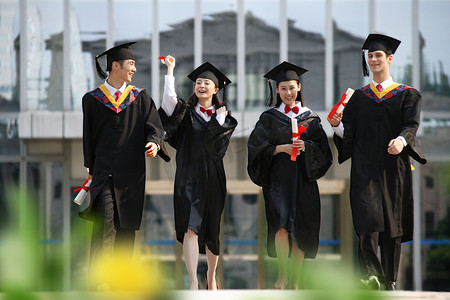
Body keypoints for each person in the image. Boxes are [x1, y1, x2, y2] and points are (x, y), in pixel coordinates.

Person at [327, 33, 427, 290]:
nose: (372, 59)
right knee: (366, 221)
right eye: (369, 55)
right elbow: (349, 135)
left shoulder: (407, 95)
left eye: (377, 55)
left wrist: (402, 141)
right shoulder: (358, 98)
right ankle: (371, 275)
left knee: (392, 224)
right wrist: (337, 127)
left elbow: (411, 125)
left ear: (389, 59)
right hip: (365, 168)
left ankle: (389, 280)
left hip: (395, 168)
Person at [80, 42, 170, 289]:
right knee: (105, 224)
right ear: (115, 66)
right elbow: (89, 137)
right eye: (131, 64)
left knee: (126, 227)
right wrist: (91, 169)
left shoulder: (140, 98)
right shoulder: (92, 99)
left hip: (131, 176)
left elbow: (154, 128)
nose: (135, 69)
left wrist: (154, 143)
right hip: (103, 174)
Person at [247, 61, 332, 289]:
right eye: (283, 88)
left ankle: (294, 281)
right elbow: (255, 147)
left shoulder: (311, 118)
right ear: (276, 90)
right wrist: (279, 149)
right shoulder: (269, 118)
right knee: (282, 226)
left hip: (303, 180)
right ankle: (282, 277)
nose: (288, 92)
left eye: (292, 87)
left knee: (300, 230)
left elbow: (324, 151)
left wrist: (307, 146)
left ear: (299, 88)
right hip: (278, 180)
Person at [158, 56, 237, 290]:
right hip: (187, 176)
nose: (201, 86)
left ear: (215, 88)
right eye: (198, 82)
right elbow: (168, 104)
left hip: (213, 176)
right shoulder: (185, 113)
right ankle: (193, 280)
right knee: (189, 227)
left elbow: (219, 150)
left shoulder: (225, 118)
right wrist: (170, 72)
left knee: (211, 230)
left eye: (206, 83)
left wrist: (220, 120)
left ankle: (211, 276)